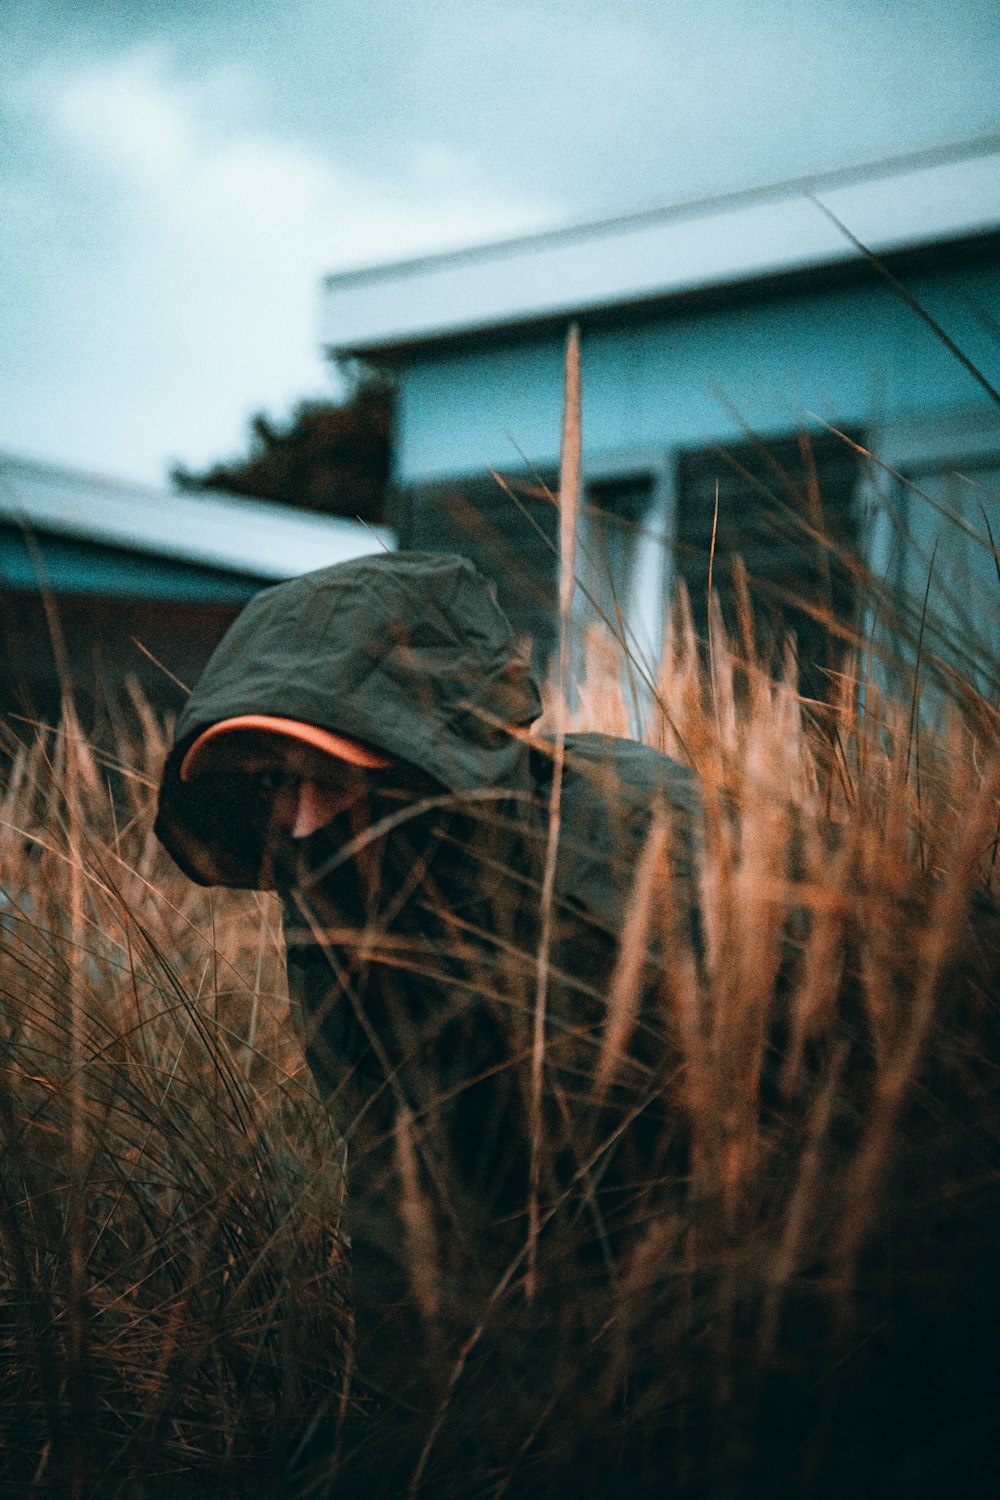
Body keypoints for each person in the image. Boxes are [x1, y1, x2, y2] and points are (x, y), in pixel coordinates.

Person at [155, 549, 700, 1472]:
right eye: (266, 783)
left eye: (326, 771)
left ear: (427, 761)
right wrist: (415, 1441)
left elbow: (665, 1207)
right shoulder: (337, 885)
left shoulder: (616, 879)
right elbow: (396, 1182)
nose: (296, 819)